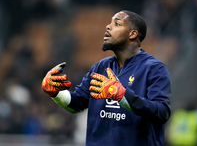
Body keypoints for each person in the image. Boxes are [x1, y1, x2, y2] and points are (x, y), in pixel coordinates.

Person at [42, 10, 171, 146]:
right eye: (110, 23)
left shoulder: (154, 68)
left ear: (132, 34)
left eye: (117, 23)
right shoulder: (100, 67)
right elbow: (77, 103)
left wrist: (123, 96)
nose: (108, 26)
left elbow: (162, 112)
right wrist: (56, 93)